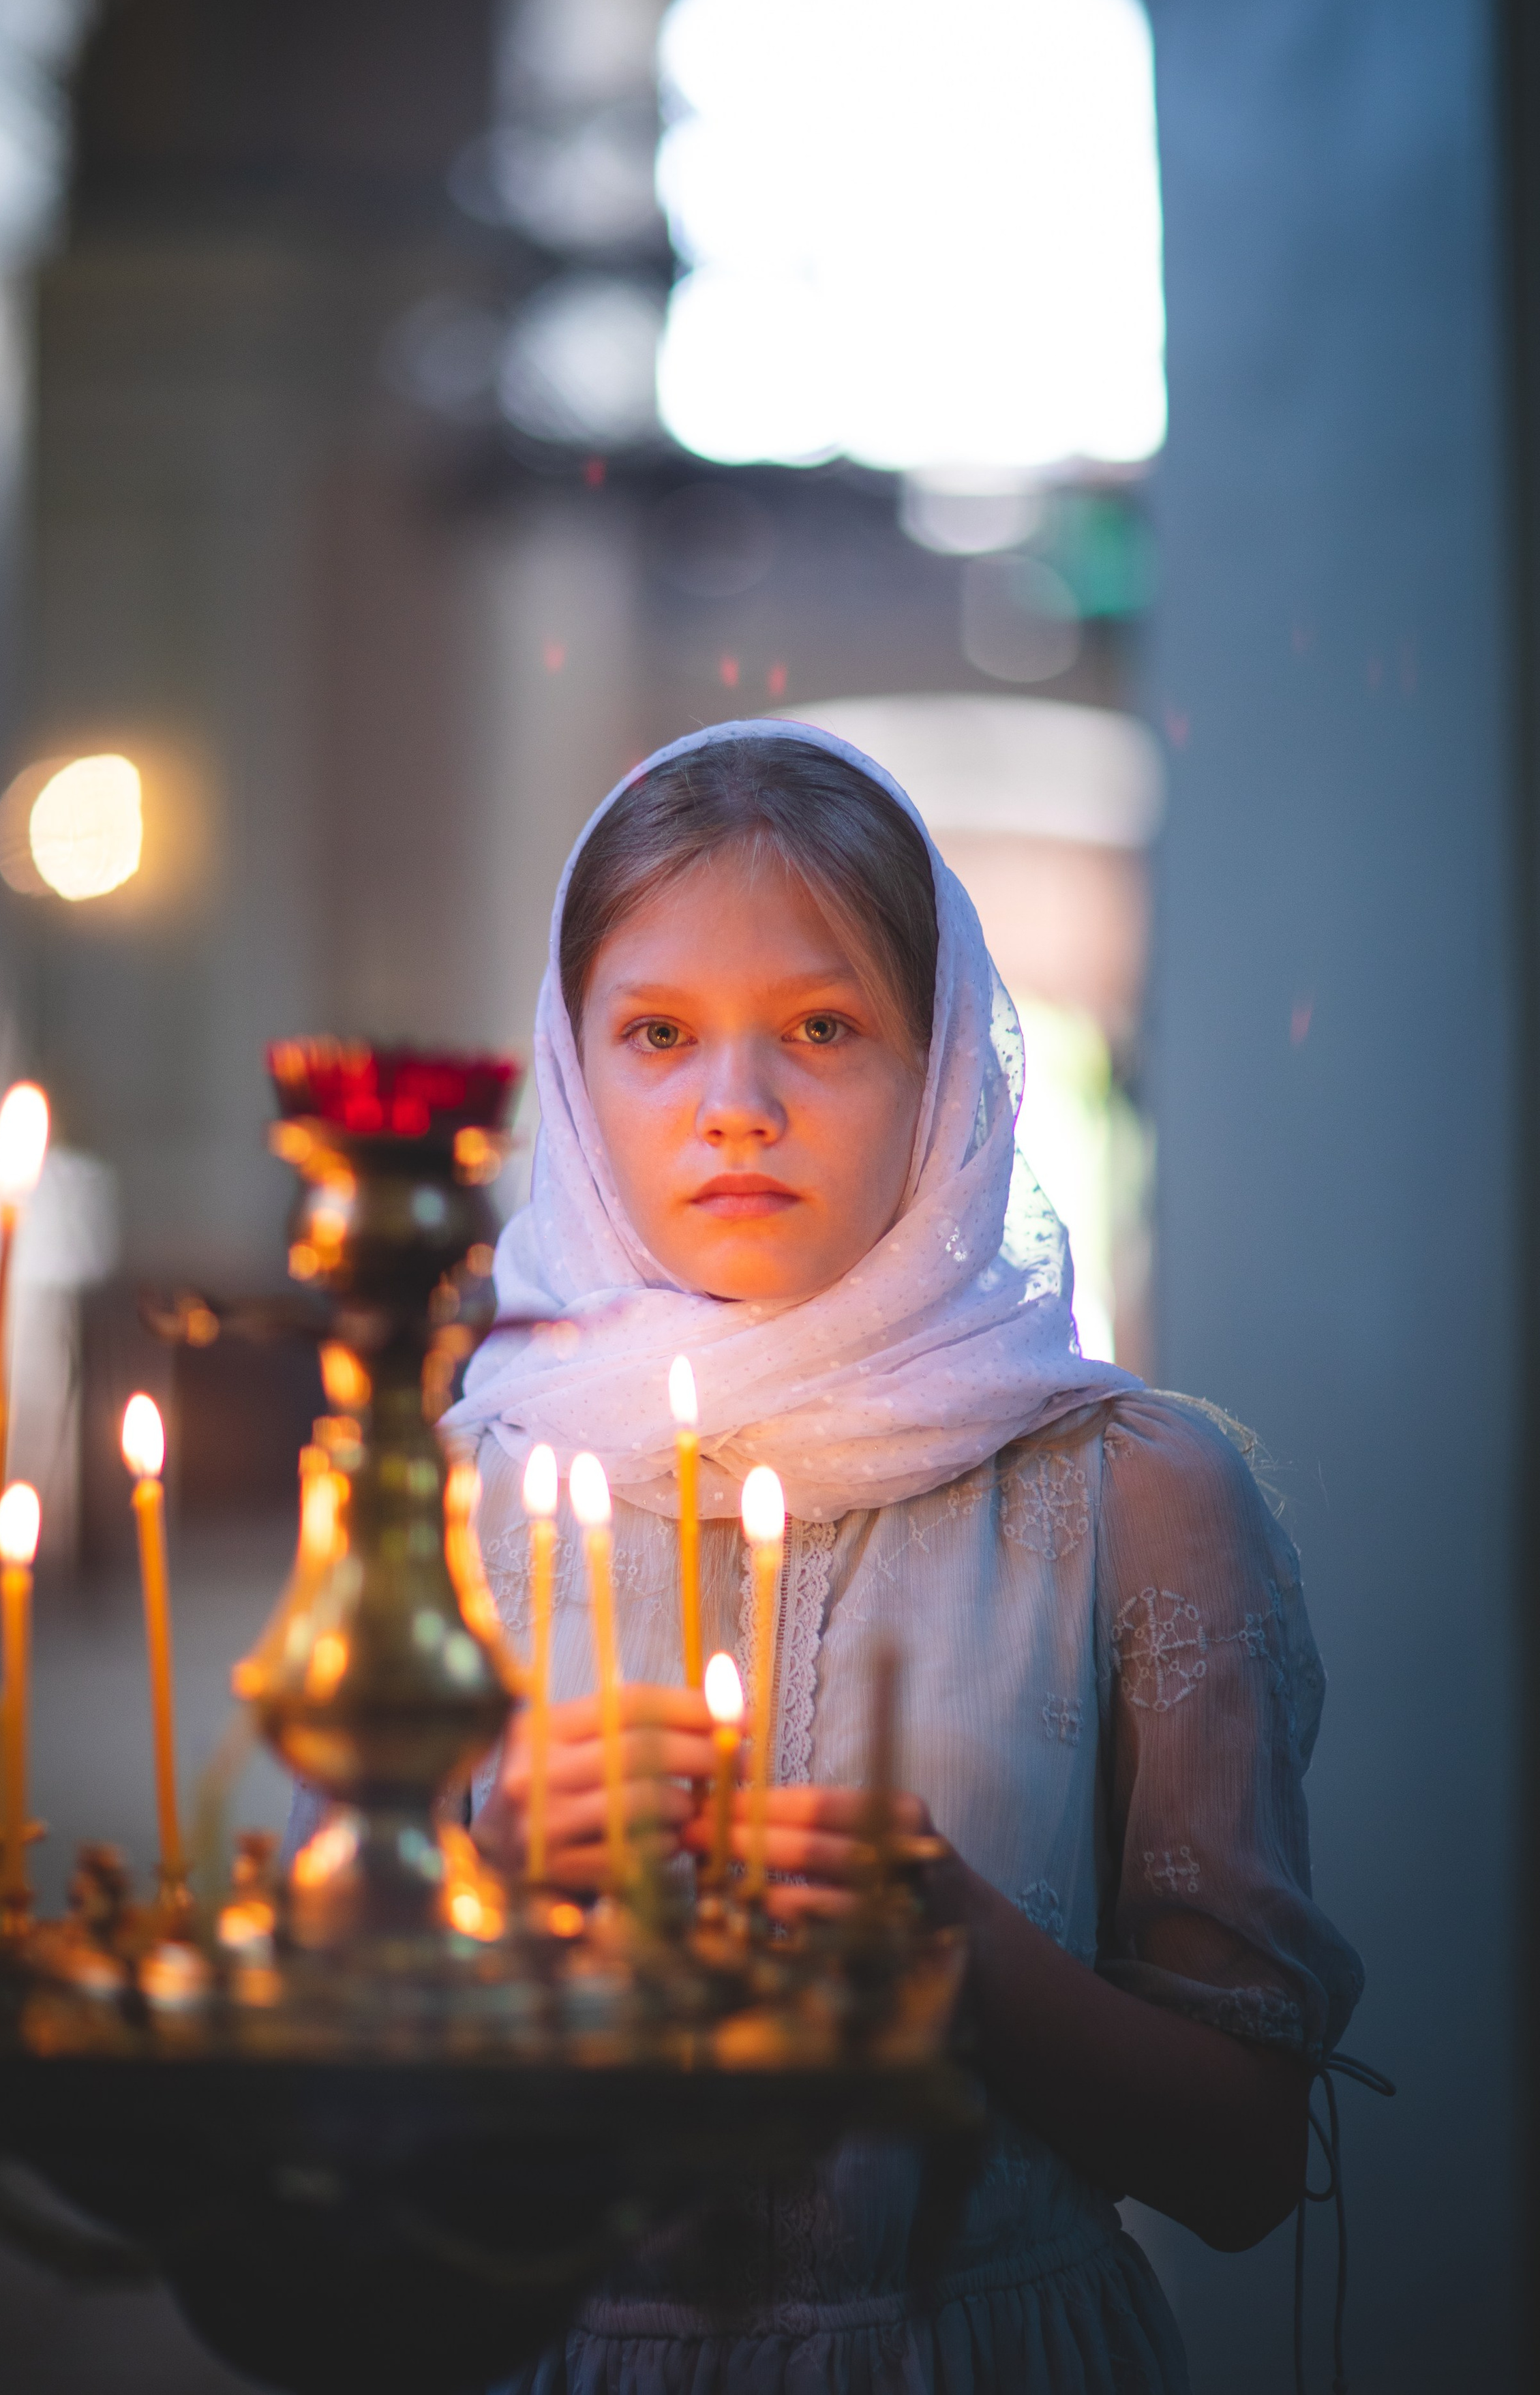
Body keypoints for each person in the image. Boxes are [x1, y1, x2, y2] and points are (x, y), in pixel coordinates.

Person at [449, 720, 1362, 2395]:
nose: (736, 1107)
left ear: (942, 1066)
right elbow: (303, 2118)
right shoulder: (463, 1503)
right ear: (572, 1074)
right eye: (656, 1033)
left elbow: (1238, 2168)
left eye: (820, 1025)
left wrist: (963, 1951)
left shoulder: (1126, 1494)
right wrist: (477, 1887)